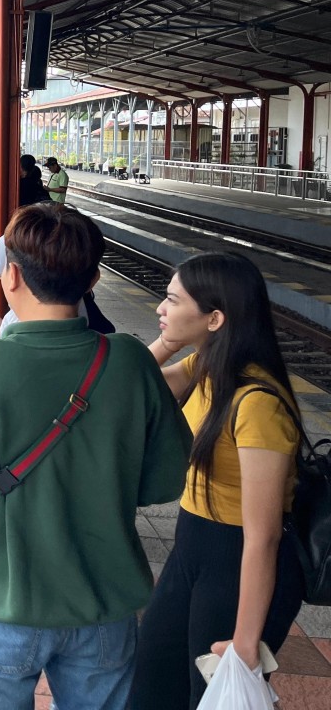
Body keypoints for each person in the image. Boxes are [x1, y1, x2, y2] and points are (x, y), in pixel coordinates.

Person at [0, 204, 192, 710]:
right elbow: (163, 481)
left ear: (10, 275)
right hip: (103, 603)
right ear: (94, 278)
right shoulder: (130, 363)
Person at [132, 252, 304, 710]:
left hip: (235, 562)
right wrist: (168, 343)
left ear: (215, 318)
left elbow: (263, 537)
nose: (159, 309)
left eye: (171, 300)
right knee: (150, 682)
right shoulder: (208, 367)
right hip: (191, 551)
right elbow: (137, 384)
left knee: (205, 696)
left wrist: (247, 643)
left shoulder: (257, 404)